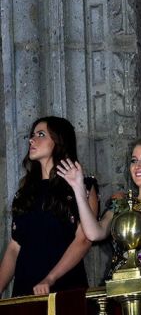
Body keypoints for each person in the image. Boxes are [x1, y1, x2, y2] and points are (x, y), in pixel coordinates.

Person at [57, 136, 141, 278]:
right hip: (119, 287)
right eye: (133, 160)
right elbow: (94, 233)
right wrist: (78, 188)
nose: (138, 165)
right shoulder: (120, 203)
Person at [0, 116, 97, 297]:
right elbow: (14, 246)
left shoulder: (83, 185)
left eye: (41, 134)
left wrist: (50, 278)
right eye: (32, 134)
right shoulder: (24, 193)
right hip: (25, 292)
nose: (32, 139)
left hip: (64, 289)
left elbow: (83, 240)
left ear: (58, 141)